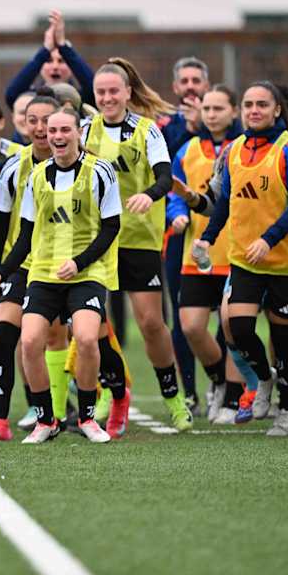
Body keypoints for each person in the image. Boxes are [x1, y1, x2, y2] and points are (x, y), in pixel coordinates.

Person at [0, 107, 121, 444]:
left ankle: (88, 417)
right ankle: (46, 420)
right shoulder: (37, 176)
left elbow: (111, 227)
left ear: (78, 133)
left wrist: (78, 261)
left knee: (87, 338)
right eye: (52, 130)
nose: (56, 136)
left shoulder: (101, 172)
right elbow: (26, 234)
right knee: (30, 342)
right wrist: (1, 272)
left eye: (64, 130)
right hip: (43, 273)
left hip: (87, 272)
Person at [195, 82, 288, 437]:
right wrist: (206, 238)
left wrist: (269, 239)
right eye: (248, 104)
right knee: (240, 330)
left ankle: (286, 409)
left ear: (277, 110)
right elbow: (225, 204)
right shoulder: (232, 151)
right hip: (244, 261)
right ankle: (263, 379)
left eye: (262, 104)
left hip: (284, 263)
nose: (254, 110)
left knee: (284, 340)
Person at [81, 58, 193, 430]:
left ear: (128, 93)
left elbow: (165, 179)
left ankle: (174, 397)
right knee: (93, 324)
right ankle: (109, 393)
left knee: (150, 323)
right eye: (101, 92)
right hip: (98, 239)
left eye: (115, 91)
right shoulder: (85, 131)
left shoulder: (148, 131)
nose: (108, 98)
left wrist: (148, 194)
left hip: (139, 239)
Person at [0, 92, 58, 441]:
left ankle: (99, 404)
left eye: (46, 121)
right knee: (5, 338)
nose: (39, 128)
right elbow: (2, 227)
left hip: (70, 267)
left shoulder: (84, 165)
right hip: (23, 265)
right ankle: (1, 422)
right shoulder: (13, 166)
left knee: (81, 341)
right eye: (32, 120)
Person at [168, 85, 240, 422]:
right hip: (196, 253)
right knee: (191, 326)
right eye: (207, 109)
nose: (211, 114)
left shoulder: (242, 149)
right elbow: (176, 193)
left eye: (218, 108)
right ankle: (219, 382)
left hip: (235, 252)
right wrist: (176, 214)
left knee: (232, 327)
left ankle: (238, 396)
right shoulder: (187, 150)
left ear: (234, 111)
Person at [161, 57, 211, 409]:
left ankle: (226, 386)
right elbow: (166, 174)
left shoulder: (231, 126)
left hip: (222, 235)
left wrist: (203, 127)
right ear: (176, 87)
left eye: (197, 80)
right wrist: (190, 130)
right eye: (185, 81)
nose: (191, 86)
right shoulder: (167, 129)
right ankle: (190, 389)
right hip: (180, 233)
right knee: (182, 315)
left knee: (226, 315)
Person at [3, 9, 96, 108]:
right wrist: (45, 50)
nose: (55, 66)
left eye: (61, 61)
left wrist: (63, 46)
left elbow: (93, 88)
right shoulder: (33, 98)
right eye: (49, 61)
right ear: (41, 66)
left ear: (71, 66)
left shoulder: (80, 98)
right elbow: (12, 95)